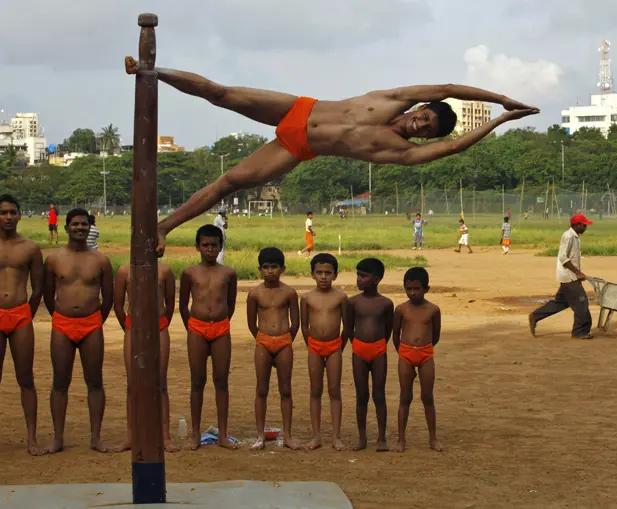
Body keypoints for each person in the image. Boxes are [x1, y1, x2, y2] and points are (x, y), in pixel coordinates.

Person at [124, 58, 539, 256]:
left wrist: (500, 119)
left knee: (229, 183)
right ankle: (151, 71)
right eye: (425, 117)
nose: (421, 126)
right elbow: (449, 85)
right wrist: (499, 96)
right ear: (420, 108)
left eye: (427, 129)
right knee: (221, 94)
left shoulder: (398, 153)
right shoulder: (392, 99)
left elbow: (453, 146)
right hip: (299, 110)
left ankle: (163, 228)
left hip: (297, 149)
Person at [44, 208, 114, 453]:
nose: (79, 228)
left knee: (94, 381)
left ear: (89, 227)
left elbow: (109, 297)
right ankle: (58, 438)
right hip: (62, 324)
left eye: (83, 224)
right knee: (60, 382)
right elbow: (48, 294)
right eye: (75, 224)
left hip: (92, 324)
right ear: (66, 228)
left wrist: (95, 320)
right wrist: (62, 316)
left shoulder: (100, 260)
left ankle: (96, 437)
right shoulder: (53, 259)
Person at [180, 224, 237, 450]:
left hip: (221, 329)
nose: (210, 249)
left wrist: (220, 321)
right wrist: (193, 327)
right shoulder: (189, 273)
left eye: (214, 245)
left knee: (221, 381)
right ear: (197, 247)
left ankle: (222, 434)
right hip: (196, 328)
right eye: (205, 245)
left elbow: (230, 304)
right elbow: (183, 305)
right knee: (197, 381)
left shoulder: (228, 273)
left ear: (221, 246)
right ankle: (195, 434)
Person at [113, 262, 178, 453]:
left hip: (159, 326)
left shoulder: (165, 270)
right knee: (132, 384)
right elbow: (118, 304)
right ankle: (131, 436)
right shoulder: (125, 271)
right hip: (133, 327)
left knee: (160, 383)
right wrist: (129, 327)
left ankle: (165, 437)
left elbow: (170, 303)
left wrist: (160, 325)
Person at [0, 195, 45, 455]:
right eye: (3, 213)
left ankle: (32, 437)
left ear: (19, 215)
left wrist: (27, 311)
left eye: (12, 212)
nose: (8, 217)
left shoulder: (29, 248)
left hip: (20, 316)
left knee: (25, 378)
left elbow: (38, 287)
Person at [246, 247, 300, 450]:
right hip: (263, 342)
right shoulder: (255, 293)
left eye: (274, 267)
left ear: (283, 269)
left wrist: (286, 339)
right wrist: (262, 338)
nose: (270, 271)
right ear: (260, 269)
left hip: (284, 342)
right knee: (262, 389)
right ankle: (260, 435)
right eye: (266, 267)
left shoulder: (289, 292)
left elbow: (296, 322)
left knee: (285, 389)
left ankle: (287, 435)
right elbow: (252, 322)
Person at [300, 253, 348, 450]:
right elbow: (304, 327)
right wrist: (311, 346)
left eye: (328, 273)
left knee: (334, 390)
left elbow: (347, 327)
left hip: (335, 346)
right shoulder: (306, 298)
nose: (323, 277)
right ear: (312, 274)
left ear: (335, 275)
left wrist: (339, 346)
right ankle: (316, 436)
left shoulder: (341, 297)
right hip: (314, 347)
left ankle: (336, 437)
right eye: (319, 272)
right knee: (315, 390)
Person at [347, 258, 394, 452]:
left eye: (364, 276)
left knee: (379, 394)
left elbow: (388, 329)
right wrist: (358, 345)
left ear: (377, 279)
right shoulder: (352, 302)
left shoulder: (386, 303)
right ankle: (362, 437)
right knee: (361, 395)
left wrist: (378, 344)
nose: (359, 279)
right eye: (358, 274)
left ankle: (381, 437)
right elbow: (349, 329)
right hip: (359, 349)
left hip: (379, 350)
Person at [393, 267, 442, 452]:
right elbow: (395, 334)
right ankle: (401, 440)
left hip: (426, 355)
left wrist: (424, 348)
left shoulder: (433, 310)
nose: (413, 293)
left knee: (427, 397)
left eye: (417, 289)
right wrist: (404, 352)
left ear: (426, 289)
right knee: (405, 397)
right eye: (409, 289)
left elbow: (435, 335)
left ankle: (433, 439)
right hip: (405, 354)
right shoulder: (401, 309)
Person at [529, 214, 594, 340]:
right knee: (582, 303)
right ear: (577, 225)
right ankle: (579, 331)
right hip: (569, 277)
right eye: (584, 225)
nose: (586, 227)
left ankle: (535, 316)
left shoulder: (575, 237)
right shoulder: (568, 236)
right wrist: (577, 272)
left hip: (569, 276)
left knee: (560, 303)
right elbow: (563, 258)